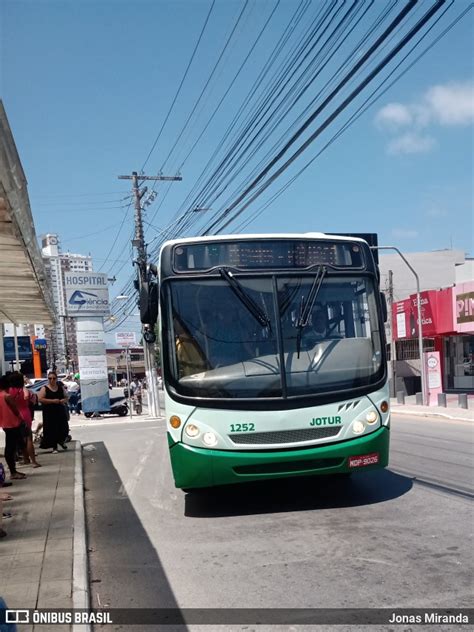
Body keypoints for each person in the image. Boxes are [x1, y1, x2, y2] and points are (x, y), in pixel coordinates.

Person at [8, 372, 41, 468]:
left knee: (17, 439)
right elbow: (33, 400)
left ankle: (25, 459)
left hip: (14, 414)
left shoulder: (9, 391)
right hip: (25, 413)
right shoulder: (24, 390)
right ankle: (33, 461)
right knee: (28, 438)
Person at [0, 375, 27, 480]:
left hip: (5, 424)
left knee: (10, 446)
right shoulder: (7, 396)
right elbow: (15, 410)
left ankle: (14, 470)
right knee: (11, 448)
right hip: (13, 423)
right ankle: (13, 471)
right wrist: (22, 419)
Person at [38, 371, 69, 453]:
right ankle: (54, 446)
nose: (52, 380)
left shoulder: (60, 387)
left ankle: (61, 441)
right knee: (52, 429)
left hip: (59, 410)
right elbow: (40, 399)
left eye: (53, 378)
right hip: (49, 412)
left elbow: (66, 397)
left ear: (56, 379)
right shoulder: (45, 388)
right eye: (50, 378)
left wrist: (63, 400)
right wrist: (52, 401)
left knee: (63, 427)